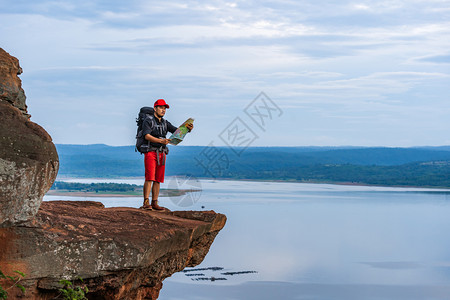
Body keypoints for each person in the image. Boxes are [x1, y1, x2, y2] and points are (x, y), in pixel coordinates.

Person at [141, 99, 193, 210]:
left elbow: (177, 132)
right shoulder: (148, 120)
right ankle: (146, 203)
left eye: (164, 108)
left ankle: (154, 202)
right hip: (150, 151)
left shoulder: (165, 123)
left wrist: (187, 129)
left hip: (162, 153)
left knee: (158, 179)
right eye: (161, 108)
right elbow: (146, 136)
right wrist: (160, 141)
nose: (163, 110)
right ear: (155, 108)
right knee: (150, 177)